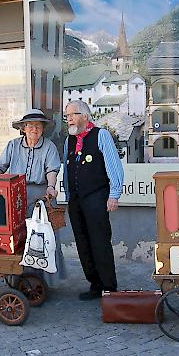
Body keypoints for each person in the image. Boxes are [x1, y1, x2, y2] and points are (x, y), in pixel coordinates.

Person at [0, 108, 66, 285]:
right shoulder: (13, 145)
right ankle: (20, 279)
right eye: (30, 126)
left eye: (38, 126)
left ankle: (45, 281)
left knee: (44, 238)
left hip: (42, 195)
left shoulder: (49, 146)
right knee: (21, 237)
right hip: (18, 195)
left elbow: (52, 170)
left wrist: (51, 187)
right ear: (23, 128)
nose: (34, 129)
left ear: (43, 129)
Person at [63, 100, 123, 300]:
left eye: (72, 114)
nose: (69, 119)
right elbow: (66, 170)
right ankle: (95, 284)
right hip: (76, 200)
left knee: (100, 242)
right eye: (67, 116)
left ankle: (109, 287)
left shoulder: (101, 135)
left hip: (97, 197)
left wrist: (114, 194)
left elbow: (114, 166)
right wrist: (68, 195)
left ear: (85, 116)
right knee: (83, 243)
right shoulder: (69, 141)